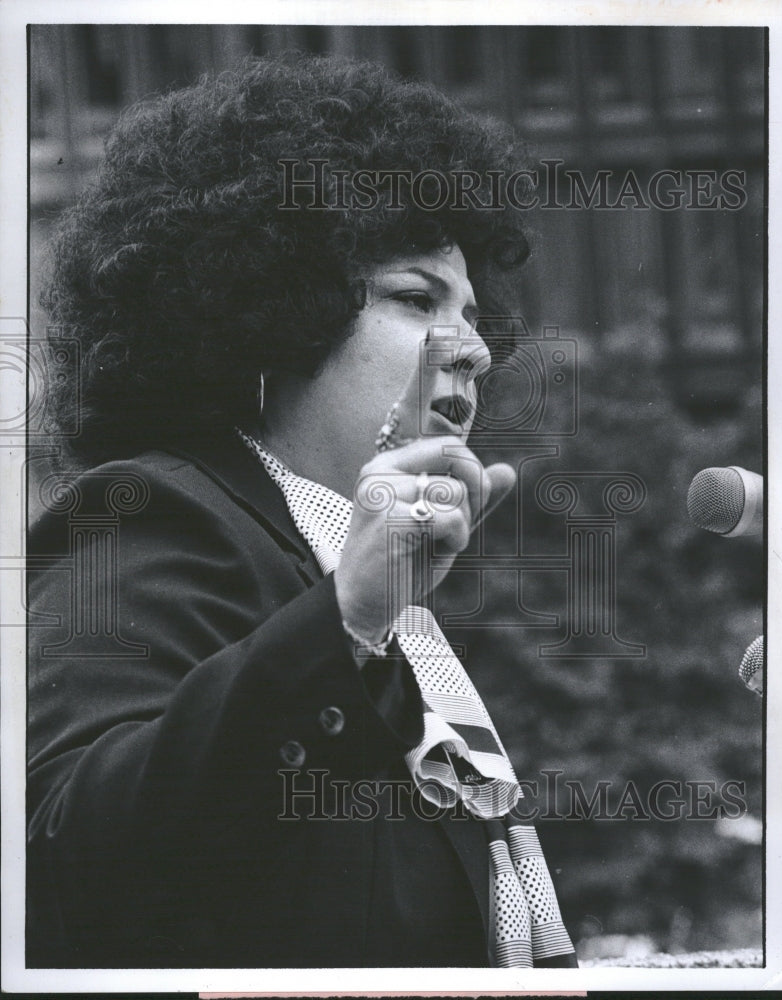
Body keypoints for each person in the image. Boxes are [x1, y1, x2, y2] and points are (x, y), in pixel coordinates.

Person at [27, 52, 577, 969]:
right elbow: (69, 860)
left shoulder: (345, 567)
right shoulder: (155, 517)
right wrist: (347, 622)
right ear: (269, 310)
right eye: (417, 298)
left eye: (474, 313)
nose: (474, 348)